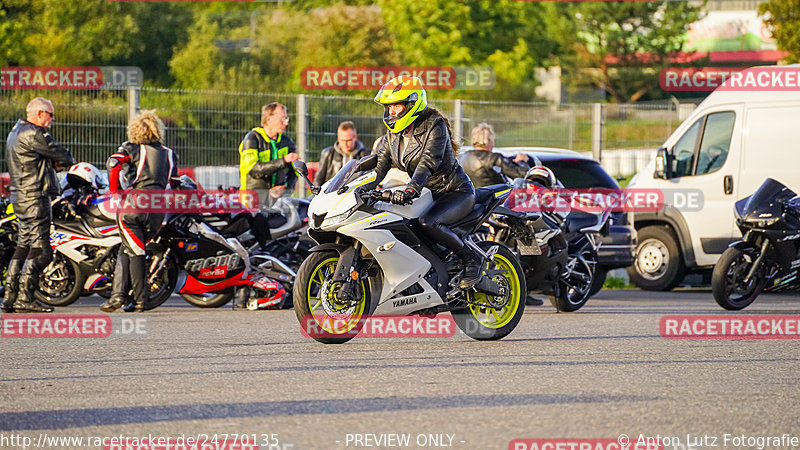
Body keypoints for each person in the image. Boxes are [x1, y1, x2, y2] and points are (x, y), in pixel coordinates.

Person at [366, 76, 484, 289]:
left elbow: (428, 162)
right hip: (425, 193)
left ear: (411, 104)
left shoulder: (434, 126)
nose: (391, 112)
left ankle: (471, 260)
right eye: (389, 107)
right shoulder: (394, 133)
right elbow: (381, 164)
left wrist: (411, 188)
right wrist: (360, 187)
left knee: (428, 223)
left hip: (453, 192)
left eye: (396, 106)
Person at [100, 110, 178, 313]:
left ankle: (141, 300)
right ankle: (120, 297)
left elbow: (113, 164)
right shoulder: (170, 154)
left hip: (133, 205)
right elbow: (176, 183)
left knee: (135, 252)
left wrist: (116, 192)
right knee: (129, 248)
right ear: (158, 130)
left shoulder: (132, 148)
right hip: (158, 209)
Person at [2, 97, 74, 313]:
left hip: (20, 197)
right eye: (50, 114)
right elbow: (64, 155)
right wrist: (57, 161)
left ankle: (9, 297)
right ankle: (25, 298)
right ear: (40, 113)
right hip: (35, 198)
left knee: (23, 247)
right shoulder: (34, 133)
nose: (52, 119)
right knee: (43, 252)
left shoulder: (15, 132)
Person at [238, 103, 298, 210]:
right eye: (282, 119)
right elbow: (254, 169)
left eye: (286, 119)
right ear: (269, 120)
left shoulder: (287, 142)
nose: (286, 123)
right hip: (252, 201)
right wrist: (283, 160)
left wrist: (286, 188)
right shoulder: (252, 139)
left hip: (277, 202)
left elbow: (295, 171)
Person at [459, 123, 532, 187]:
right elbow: (522, 175)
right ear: (489, 141)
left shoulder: (462, 157)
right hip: (493, 200)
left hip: (470, 200)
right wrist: (523, 162)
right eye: (493, 140)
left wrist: (512, 160)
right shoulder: (494, 158)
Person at [314, 121, 368, 186]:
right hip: (331, 194)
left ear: (355, 137)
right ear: (338, 138)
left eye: (348, 140)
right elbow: (318, 180)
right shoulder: (329, 154)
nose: (345, 144)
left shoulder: (364, 155)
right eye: (342, 140)